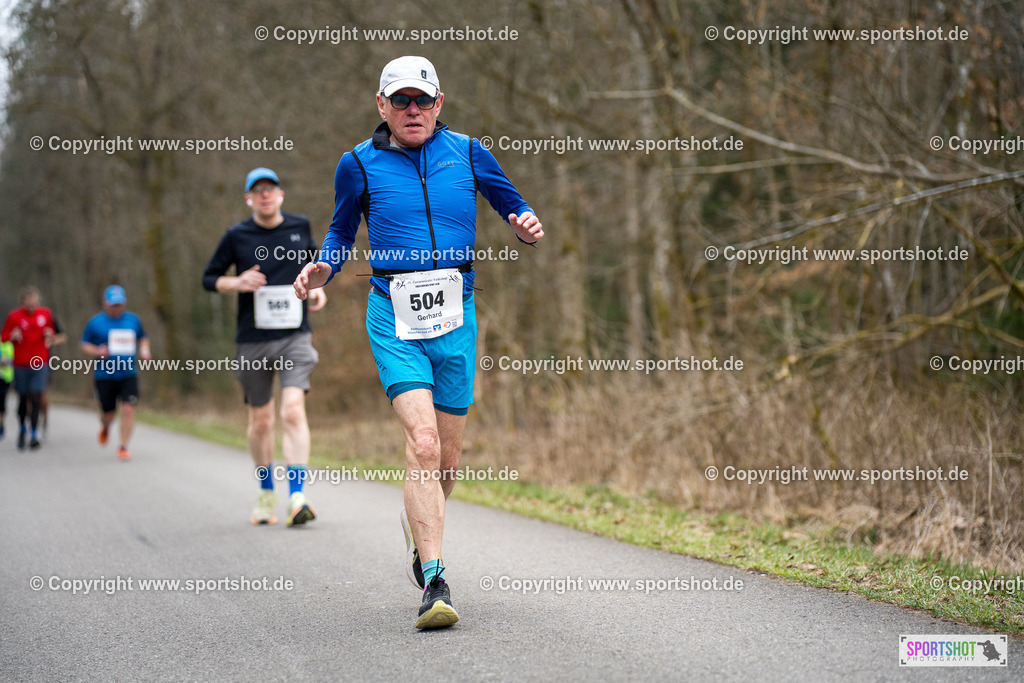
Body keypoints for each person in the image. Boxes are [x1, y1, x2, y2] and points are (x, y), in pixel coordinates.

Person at [294, 55, 544, 629]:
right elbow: (340, 231)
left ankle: (418, 525)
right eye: (401, 100)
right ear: (381, 105)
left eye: (422, 100)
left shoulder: (470, 152)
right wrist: (322, 268)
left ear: (439, 104)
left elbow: (512, 201)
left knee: (447, 463)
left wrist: (524, 222)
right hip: (393, 315)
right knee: (424, 444)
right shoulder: (357, 163)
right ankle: (434, 579)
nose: (413, 110)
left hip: (456, 316)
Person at [203, 167, 326, 527]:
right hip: (252, 340)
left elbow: (316, 268)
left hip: (295, 336)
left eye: (270, 189)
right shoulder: (236, 235)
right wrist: (237, 282)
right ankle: (266, 492)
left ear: (281, 194)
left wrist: (318, 289)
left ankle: (297, 497)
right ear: (249, 199)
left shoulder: (300, 226)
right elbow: (209, 279)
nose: (265, 195)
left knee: (292, 411)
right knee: (260, 422)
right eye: (257, 191)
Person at [80, 285, 151, 460]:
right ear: (105, 303)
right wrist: (97, 351)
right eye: (113, 304)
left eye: (119, 304)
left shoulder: (133, 320)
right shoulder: (95, 322)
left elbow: (143, 338)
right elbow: (84, 344)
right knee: (108, 414)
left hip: (128, 373)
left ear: (124, 303)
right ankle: (105, 427)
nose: (116, 308)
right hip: (104, 375)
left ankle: (123, 447)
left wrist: (144, 351)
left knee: (128, 409)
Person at [1, 287, 58, 450]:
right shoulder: (14, 316)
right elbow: (3, 337)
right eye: (28, 300)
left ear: (38, 300)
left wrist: (50, 335)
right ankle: (22, 429)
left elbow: (54, 334)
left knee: (36, 396)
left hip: (40, 362)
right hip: (20, 364)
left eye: (34, 299)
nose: (32, 303)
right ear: (23, 302)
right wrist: (12, 336)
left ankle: (34, 433)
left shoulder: (45, 314)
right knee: (23, 398)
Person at [0, 338, 12, 440]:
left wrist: (5, 361)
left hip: (5, 378)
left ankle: (1, 423)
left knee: (2, 402)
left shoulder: (8, 343)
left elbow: (13, 360)